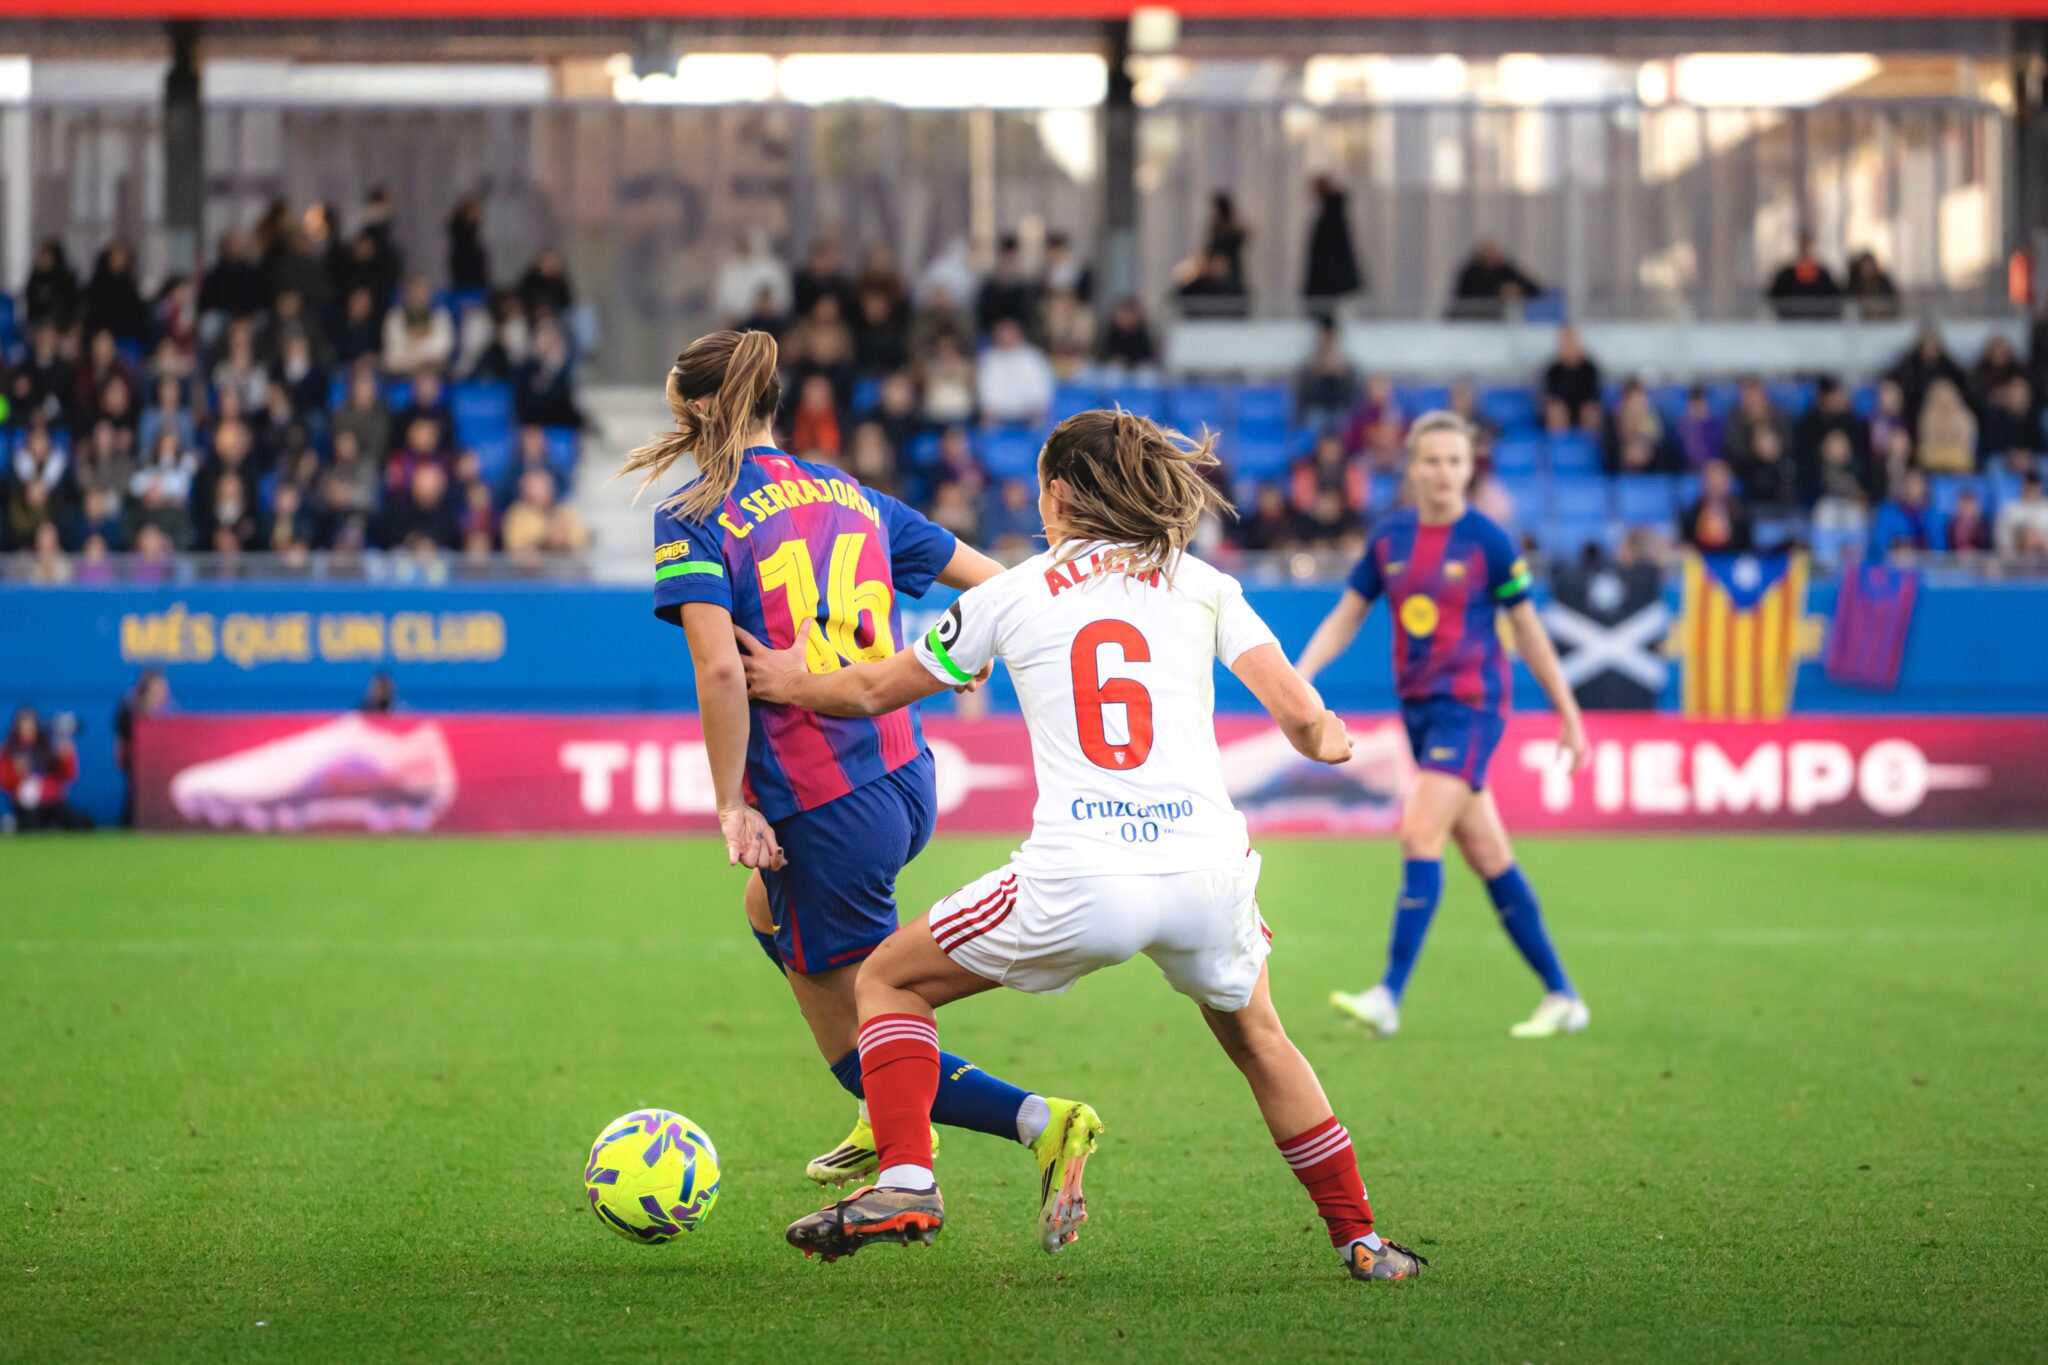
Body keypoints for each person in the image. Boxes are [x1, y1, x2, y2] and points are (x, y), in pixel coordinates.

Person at [743, 407, 1426, 1282]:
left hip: (1083, 877)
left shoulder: (1013, 592)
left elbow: (874, 689)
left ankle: (907, 1180)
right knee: (1262, 1039)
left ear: (1058, 494)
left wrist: (795, 679)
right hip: (1207, 876)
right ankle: (1360, 1238)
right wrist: (1329, 736)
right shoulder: (1202, 582)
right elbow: (1300, 715)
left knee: (887, 979)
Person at [613, 327, 1089, 1194]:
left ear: (704, 407)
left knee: (864, 1030)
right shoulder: (850, 492)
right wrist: (976, 643)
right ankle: (888, 1111)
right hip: (904, 777)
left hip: (825, 801)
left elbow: (721, 670)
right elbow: (1002, 582)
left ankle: (1038, 1122)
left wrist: (731, 804)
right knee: (766, 907)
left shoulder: (693, 515)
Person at [1295, 412, 1589, 1041]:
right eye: (1431, 460)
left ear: (1469, 467)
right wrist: (1302, 673)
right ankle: (1562, 995)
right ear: (1412, 465)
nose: (1444, 472)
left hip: (1473, 707)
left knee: (1419, 831)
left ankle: (1388, 994)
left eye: (1455, 461)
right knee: (1488, 854)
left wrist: (1568, 714)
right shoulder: (1390, 538)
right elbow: (1348, 614)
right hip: (1420, 711)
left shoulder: (1489, 541)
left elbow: (1529, 632)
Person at [2, 707, 92, 831]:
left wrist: (65, 753)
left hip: (51, 801)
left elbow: (69, 775)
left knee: (75, 822)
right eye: (24, 725)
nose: (27, 729)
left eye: (31, 725)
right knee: (31, 824)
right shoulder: (9, 749)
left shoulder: (47, 746)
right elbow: (5, 782)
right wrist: (17, 774)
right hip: (25, 806)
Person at [113, 668, 172, 827]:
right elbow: (122, 729)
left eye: (162, 687)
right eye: (157, 687)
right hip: (136, 757)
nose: (161, 691)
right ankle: (130, 825)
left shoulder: (170, 707)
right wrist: (145, 709)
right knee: (136, 793)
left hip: (162, 759)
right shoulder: (130, 704)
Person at [1303, 175, 1363, 313]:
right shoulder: (1330, 211)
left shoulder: (1332, 213)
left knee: (1329, 312)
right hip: (1329, 281)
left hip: (1330, 281)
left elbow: (1331, 250)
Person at [1449, 238, 1542, 320]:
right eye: (1488, 255)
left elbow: (1534, 290)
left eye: (1494, 254)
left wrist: (1519, 290)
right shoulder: (1470, 272)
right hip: (1472, 318)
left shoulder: (1505, 269)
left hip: (1500, 319)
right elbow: (1464, 297)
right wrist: (1499, 292)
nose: (1491, 258)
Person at [1766, 230, 1841, 320]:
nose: (1805, 248)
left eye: (1807, 245)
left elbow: (1835, 299)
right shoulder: (1786, 275)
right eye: (1802, 244)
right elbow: (1773, 297)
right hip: (1790, 323)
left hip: (1818, 323)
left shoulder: (1823, 274)